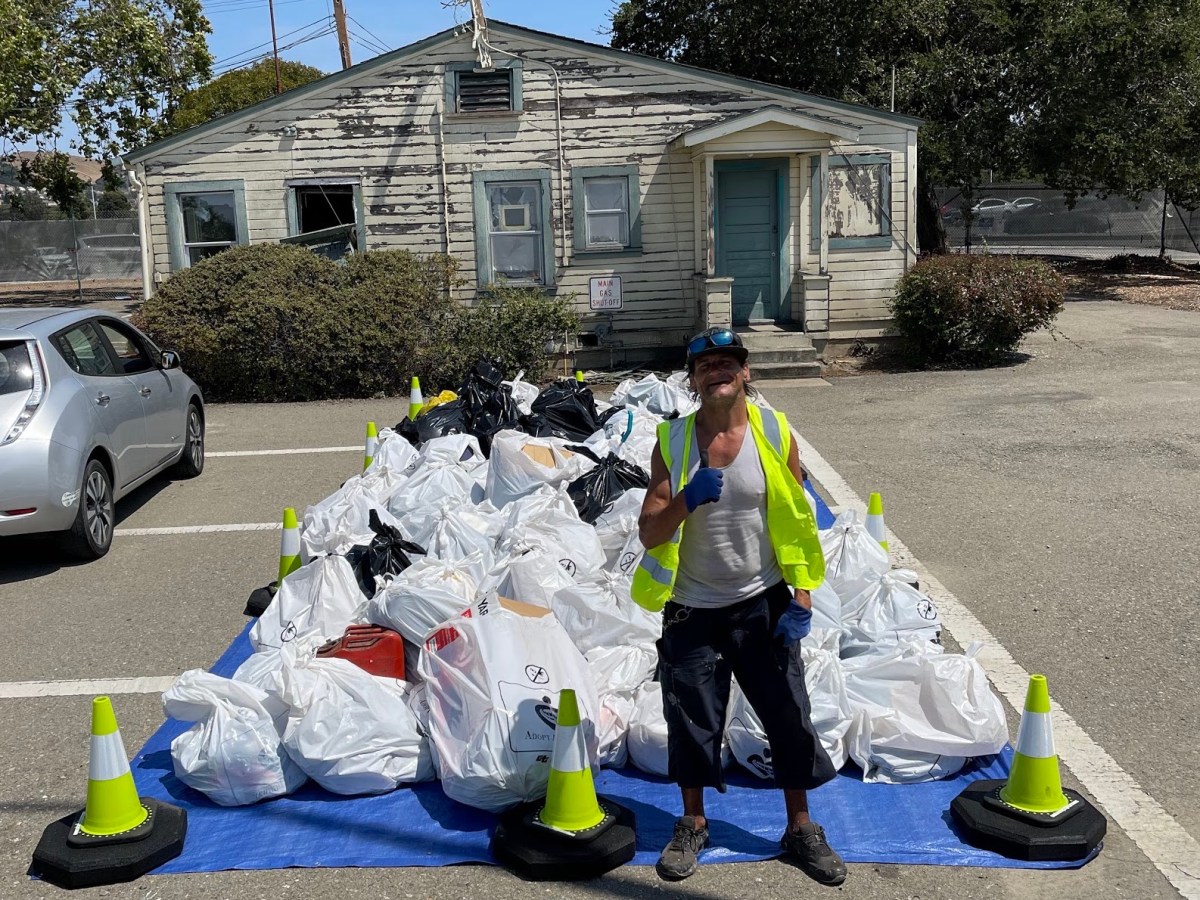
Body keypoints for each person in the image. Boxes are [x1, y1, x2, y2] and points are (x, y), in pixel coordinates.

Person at [632, 326, 845, 886]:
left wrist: (800, 595)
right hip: (692, 607)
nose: (718, 370)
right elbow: (651, 534)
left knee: (787, 715)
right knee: (691, 719)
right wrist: (685, 498)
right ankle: (693, 823)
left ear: (746, 373)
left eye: (729, 362)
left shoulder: (773, 431)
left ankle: (800, 826)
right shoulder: (673, 441)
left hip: (763, 602)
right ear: (694, 378)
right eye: (706, 365)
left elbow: (798, 521)